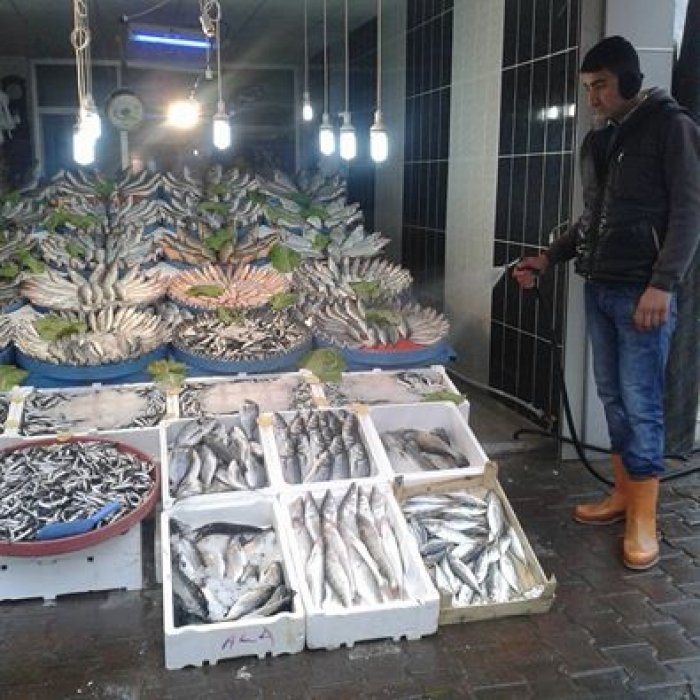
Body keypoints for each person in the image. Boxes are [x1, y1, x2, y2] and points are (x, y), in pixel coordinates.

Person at [513, 36, 700, 571]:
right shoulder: (601, 140)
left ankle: (644, 517)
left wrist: (663, 284)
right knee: (613, 398)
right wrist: (549, 257)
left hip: (644, 293)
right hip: (600, 286)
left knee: (642, 403)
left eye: (600, 86)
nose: (592, 98)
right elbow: (593, 217)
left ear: (630, 80)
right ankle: (622, 493)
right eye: (588, 88)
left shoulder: (672, 127)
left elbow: (690, 214)